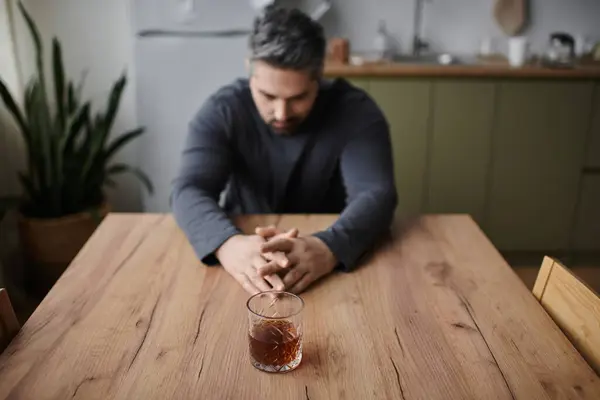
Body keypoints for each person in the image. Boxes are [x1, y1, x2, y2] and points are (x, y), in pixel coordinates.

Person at [171, 5, 397, 295]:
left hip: (330, 257)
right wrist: (227, 244)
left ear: (319, 78)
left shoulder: (357, 112)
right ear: (249, 70)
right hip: (239, 252)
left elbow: (377, 194)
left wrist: (329, 246)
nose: (281, 113)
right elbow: (188, 189)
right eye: (268, 96)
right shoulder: (223, 110)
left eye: (298, 97)